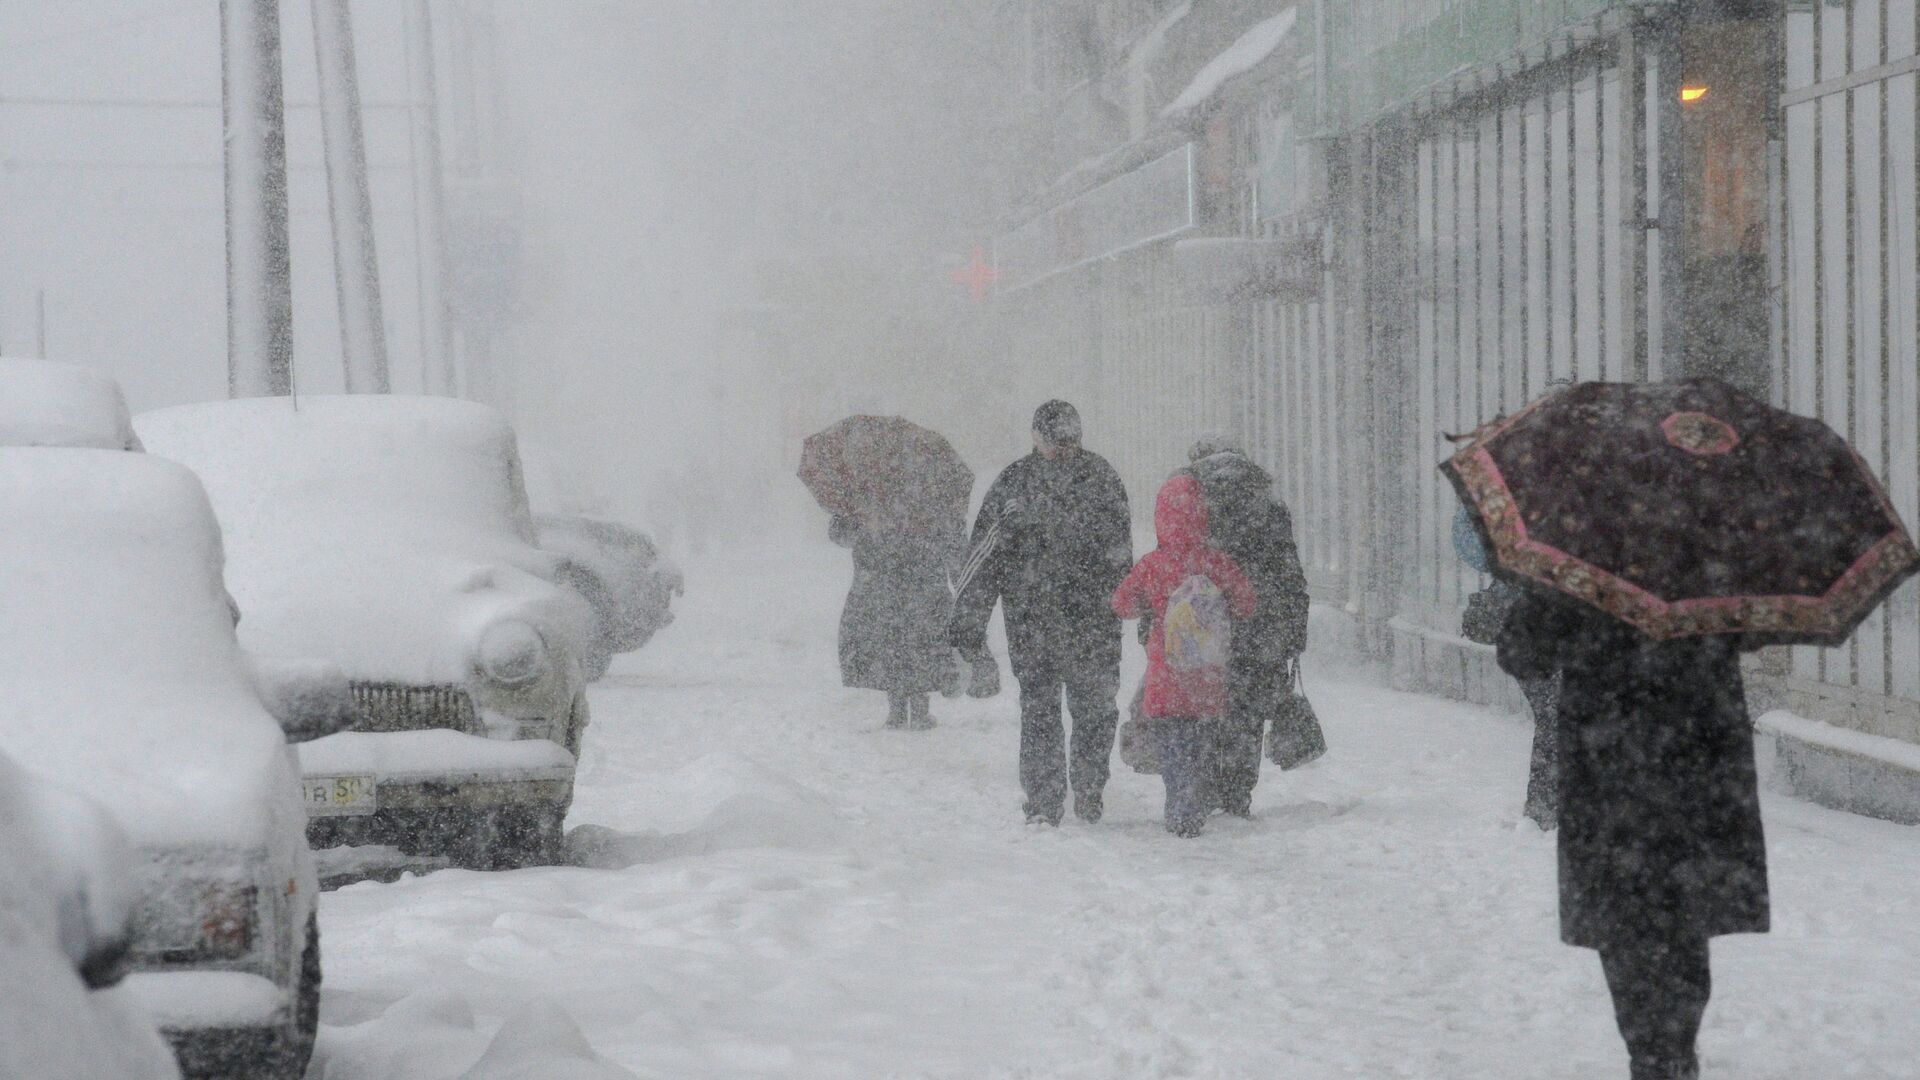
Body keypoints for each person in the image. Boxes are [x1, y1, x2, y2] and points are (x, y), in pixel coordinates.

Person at [1497, 590, 1769, 1080]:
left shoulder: (1577, 563)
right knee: (1682, 913)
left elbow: (1520, 653)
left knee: (1626, 919)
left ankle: (1653, 1051)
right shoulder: (1709, 554)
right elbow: (1751, 630)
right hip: (1697, 762)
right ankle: (1673, 1049)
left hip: (1610, 769)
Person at [951, 400, 1132, 825]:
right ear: (1037, 438)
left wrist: (1128, 600)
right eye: (1056, 441)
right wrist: (968, 626)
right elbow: (984, 559)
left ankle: (1081, 791)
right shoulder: (1057, 481)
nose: (1062, 449)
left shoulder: (1025, 484)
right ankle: (1050, 799)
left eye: (1068, 441)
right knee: (1051, 710)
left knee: (1082, 710)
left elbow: (1121, 554)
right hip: (1059, 623)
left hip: (1058, 619)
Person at [1112, 474, 1257, 837]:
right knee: (1200, 743)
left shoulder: (1153, 565)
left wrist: (1151, 605)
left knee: (1173, 746)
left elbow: (1121, 604)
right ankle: (1195, 800)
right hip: (1207, 676)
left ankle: (1180, 803)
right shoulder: (1217, 562)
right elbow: (1246, 603)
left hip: (1167, 674)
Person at [1179, 435, 1310, 817]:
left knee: (1203, 704)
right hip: (1260, 626)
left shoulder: (1189, 501)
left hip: (1202, 622)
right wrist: (1294, 630)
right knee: (1247, 712)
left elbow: (1174, 566)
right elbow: (1290, 575)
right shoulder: (1269, 505)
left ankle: (1203, 785)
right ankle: (1237, 790)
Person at [1455, 504, 1559, 828]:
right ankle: (1545, 809)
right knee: (1555, 712)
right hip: (1533, 622)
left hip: (1540, 621)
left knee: (1554, 714)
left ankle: (1546, 808)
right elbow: (1471, 543)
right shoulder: (1520, 490)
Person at [831, 509, 963, 731]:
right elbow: (953, 537)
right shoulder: (933, 491)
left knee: (893, 640)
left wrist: (862, 524)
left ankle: (899, 709)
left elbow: (839, 533)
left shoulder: (866, 491)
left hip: (883, 578)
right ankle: (915, 708)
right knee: (917, 640)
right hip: (921, 577)